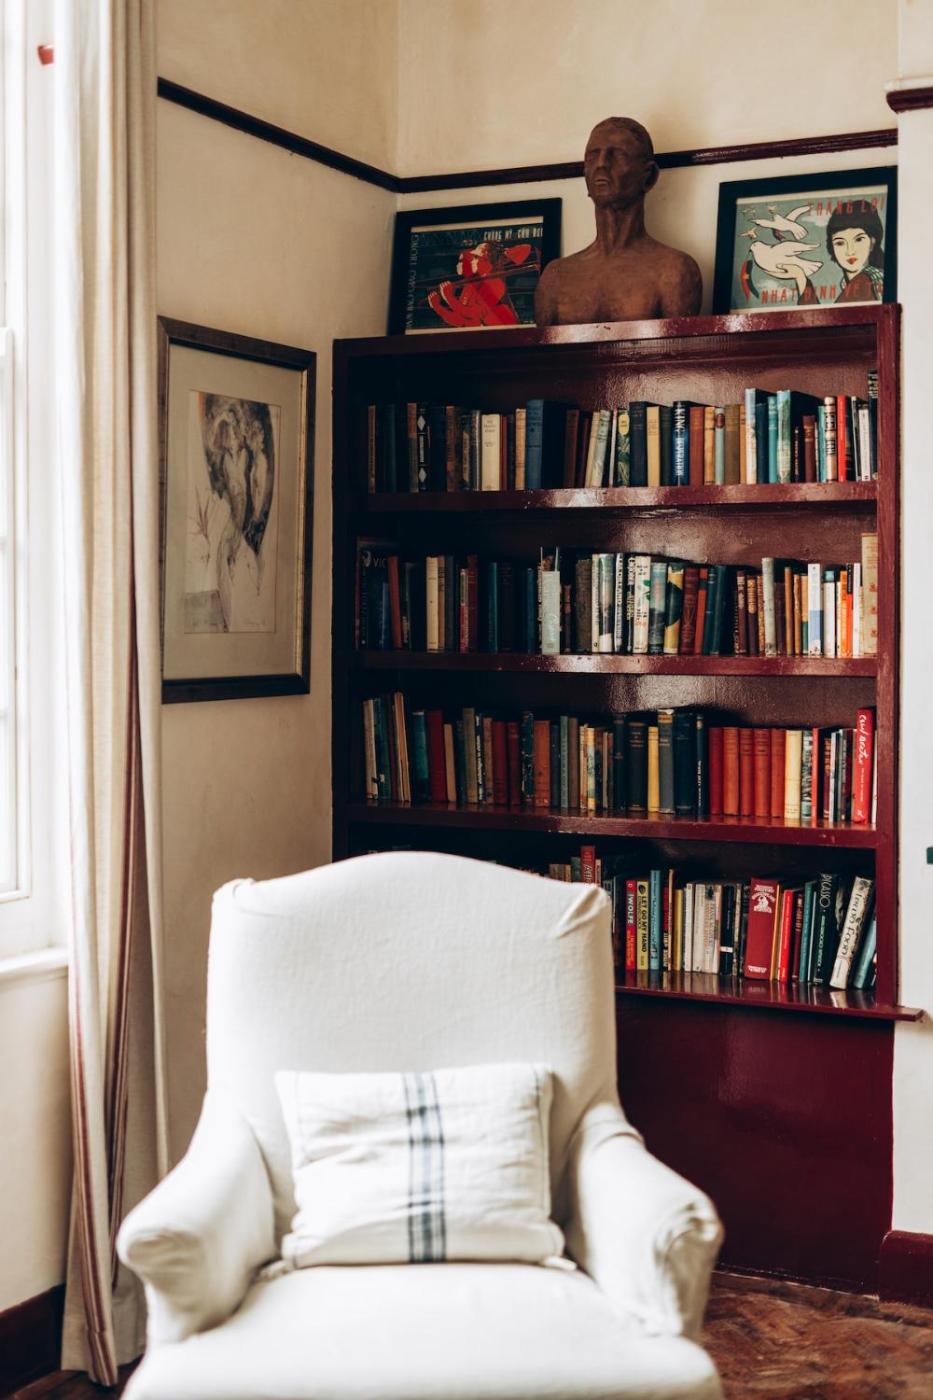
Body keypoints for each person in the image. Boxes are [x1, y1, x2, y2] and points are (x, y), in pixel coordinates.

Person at [534, 117, 701, 325]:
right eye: (592, 157)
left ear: (649, 177)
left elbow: (679, 345)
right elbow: (542, 347)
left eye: (618, 155)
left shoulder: (674, 271)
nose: (601, 164)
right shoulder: (556, 277)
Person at [798, 203, 885, 305]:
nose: (850, 251)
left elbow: (826, 316)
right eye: (840, 243)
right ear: (832, 247)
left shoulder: (866, 280)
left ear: (872, 242)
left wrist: (800, 277)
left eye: (858, 240)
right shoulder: (850, 283)